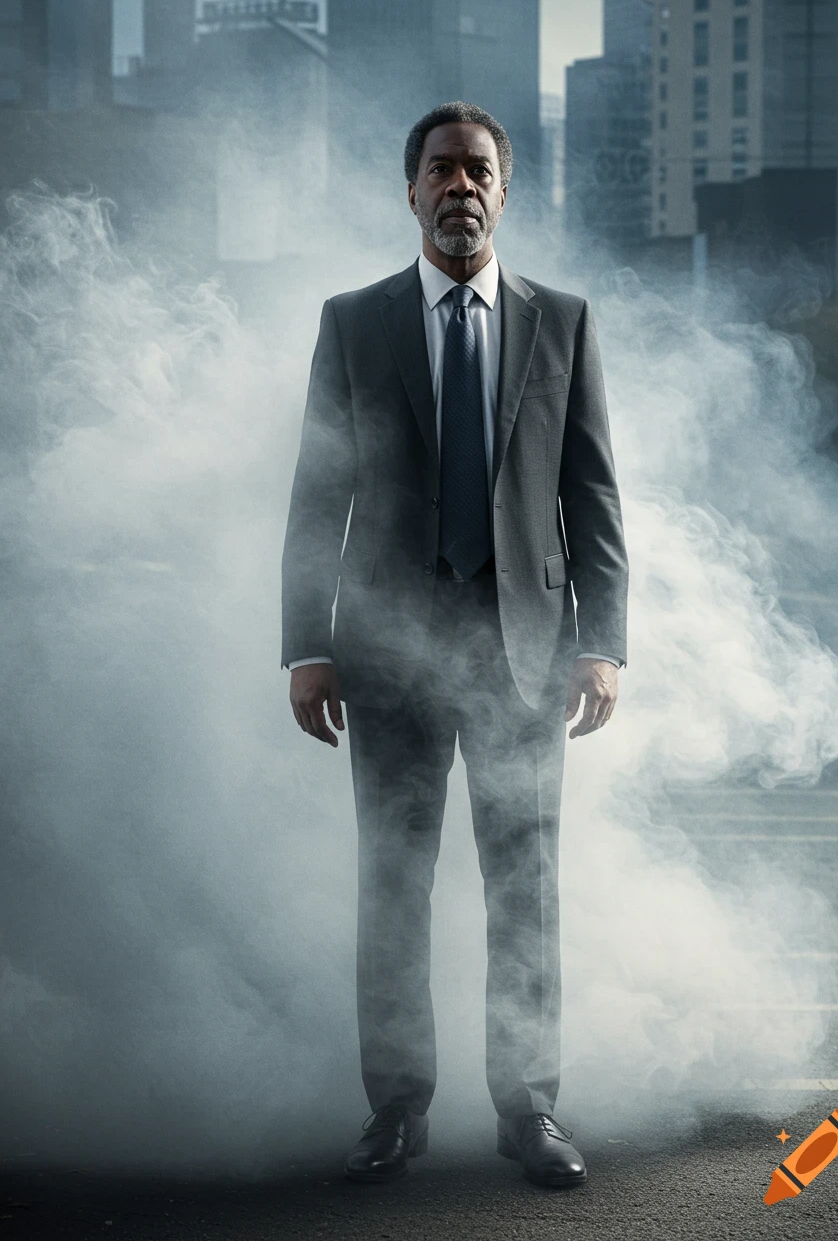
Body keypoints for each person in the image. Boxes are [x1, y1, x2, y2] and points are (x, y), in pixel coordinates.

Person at [281, 101, 628, 1188]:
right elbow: (316, 493)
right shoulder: (353, 321)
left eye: (478, 168)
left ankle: (528, 1109)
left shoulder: (561, 320)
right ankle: (396, 1109)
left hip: (524, 654)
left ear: (504, 189)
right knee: (392, 887)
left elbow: (592, 494)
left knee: (524, 890)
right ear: (411, 189)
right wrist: (306, 642)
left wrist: (602, 640)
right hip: (385, 650)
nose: (460, 185)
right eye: (441, 169)